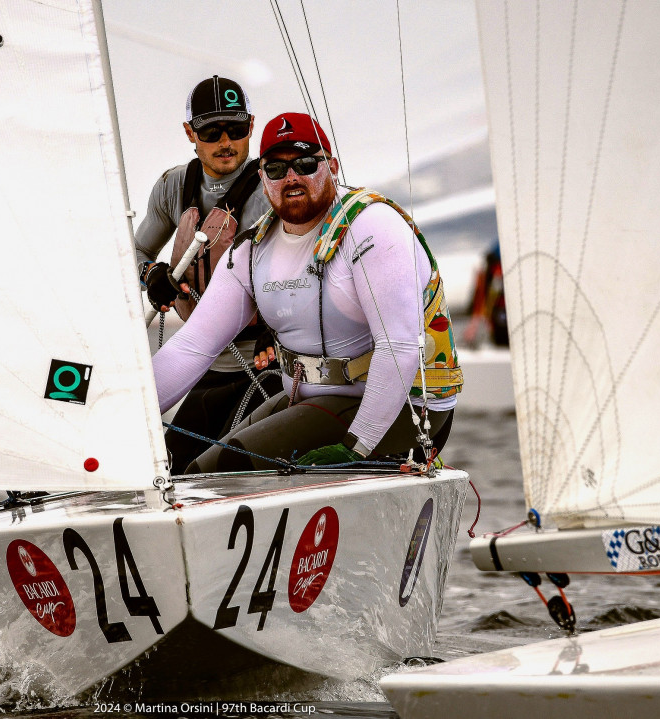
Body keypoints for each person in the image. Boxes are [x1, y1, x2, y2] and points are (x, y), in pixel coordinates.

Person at [151, 113, 464, 473]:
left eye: (305, 164)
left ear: (332, 167)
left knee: (221, 469)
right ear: (262, 179)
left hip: (404, 412)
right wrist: (127, 415)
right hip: (312, 400)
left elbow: (400, 345)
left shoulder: (372, 228)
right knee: (187, 469)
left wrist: (357, 447)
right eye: (276, 169)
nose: (292, 178)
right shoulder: (251, 249)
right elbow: (193, 346)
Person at [135, 76, 281, 474]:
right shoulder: (172, 187)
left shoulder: (273, 186)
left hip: (269, 363)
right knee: (169, 470)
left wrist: (281, 324)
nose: (226, 142)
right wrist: (151, 274)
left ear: (251, 126)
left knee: (227, 467)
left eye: (236, 129)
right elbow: (135, 252)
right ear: (190, 133)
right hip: (206, 362)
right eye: (211, 132)